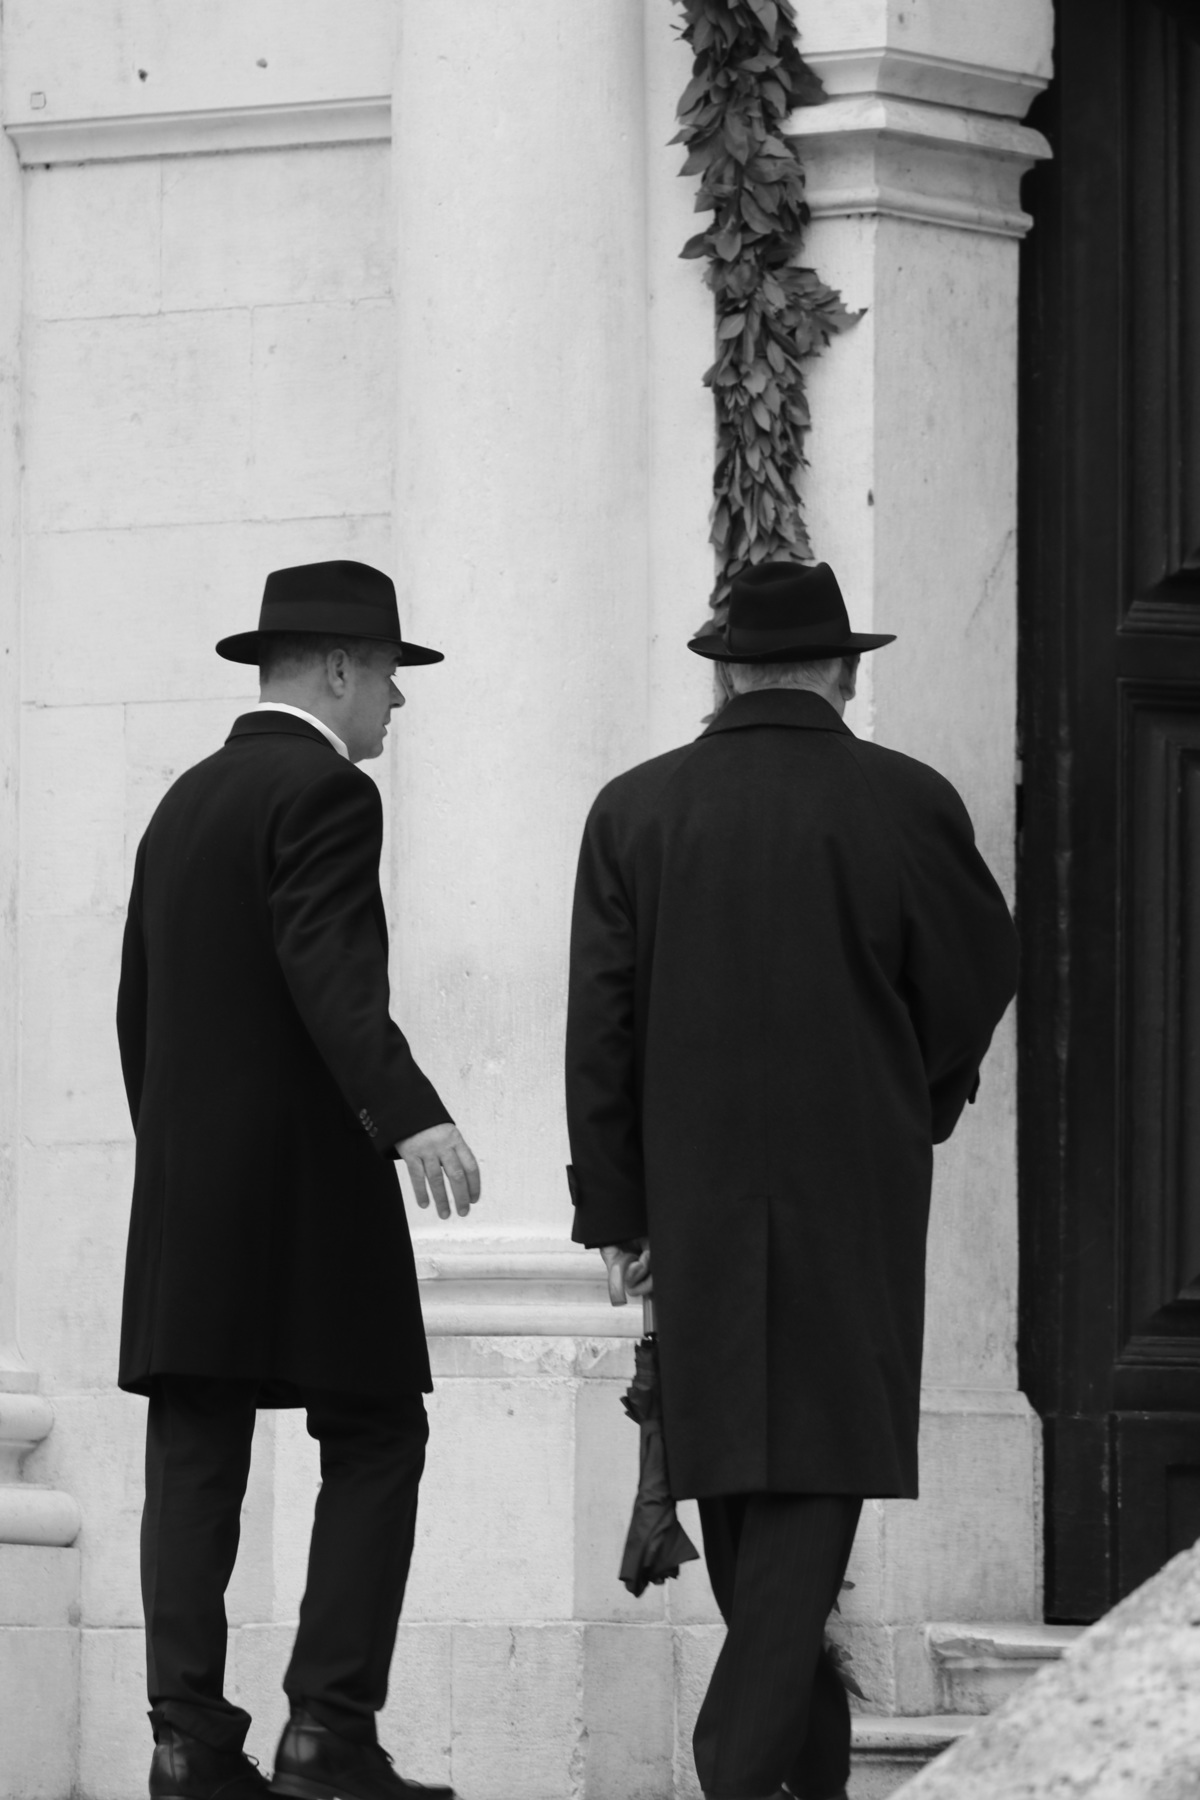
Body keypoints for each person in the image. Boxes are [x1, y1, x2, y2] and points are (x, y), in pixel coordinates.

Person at [564, 560, 1018, 1800]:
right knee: (801, 1504)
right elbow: (978, 975)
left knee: (759, 1509)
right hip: (854, 1198)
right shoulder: (907, 800)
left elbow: (600, 1029)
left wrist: (617, 1211)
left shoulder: (634, 809)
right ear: (846, 673)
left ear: (725, 675)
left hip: (693, 1207)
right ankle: (750, 1773)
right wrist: (915, 1099)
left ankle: (760, 1771)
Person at [116, 560, 479, 1800]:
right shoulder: (327, 791)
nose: (397, 702)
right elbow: (330, 970)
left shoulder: (184, 800)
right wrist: (410, 1114)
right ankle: (329, 1733)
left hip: (191, 1192)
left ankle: (185, 1746)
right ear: (336, 670)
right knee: (378, 1430)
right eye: (388, 676)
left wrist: (182, 1157)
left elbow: (137, 1008)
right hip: (311, 1187)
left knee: (195, 1445)